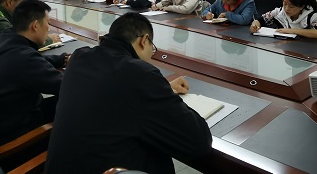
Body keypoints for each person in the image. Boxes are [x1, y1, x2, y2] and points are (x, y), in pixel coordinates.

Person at [45, 13, 212, 174]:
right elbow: (198, 142)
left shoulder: (79, 57)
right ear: (144, 40)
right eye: (152, 49)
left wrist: (162, 88)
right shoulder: (139, 73)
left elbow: (113, 92)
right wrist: (159, 89)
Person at [0, 0, 69, 150]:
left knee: (62, 102)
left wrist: (62, 59)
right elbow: (67, 86)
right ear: (35, 26)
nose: (49, 28)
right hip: (7, 145)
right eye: (47, 23)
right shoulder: (23, 58)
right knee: (77, 102)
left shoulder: (6, 42)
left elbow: (32, 62)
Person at [249, 0, 317, 39]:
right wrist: (254, 26)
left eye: (291, 6)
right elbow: (260, 20)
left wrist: (291, 31)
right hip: (288, 47)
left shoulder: (313, 16)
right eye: (285, 4)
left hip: (310, 51)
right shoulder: (279, 12)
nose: (287, 9)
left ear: (301, 7)